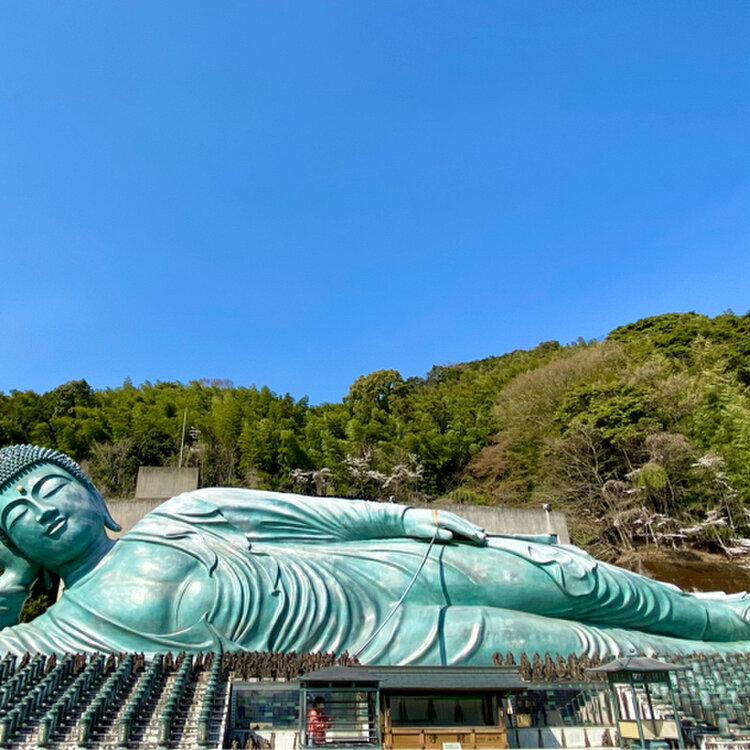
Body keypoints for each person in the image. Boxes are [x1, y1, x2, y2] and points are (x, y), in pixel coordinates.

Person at [1, 444, 750, 663]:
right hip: (388, 642)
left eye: (48, 487)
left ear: (92, 491)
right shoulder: (64, 630)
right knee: (600, 649)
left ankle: (727, 616)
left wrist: (404, 515)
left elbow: (316, 515)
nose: (41, 511)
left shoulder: (183, 514)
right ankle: (728, 652)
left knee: (576, 577)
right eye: (16, 515)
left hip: (386, 567)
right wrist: (8, 591)